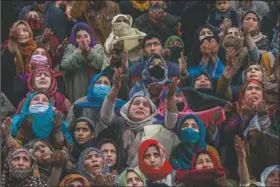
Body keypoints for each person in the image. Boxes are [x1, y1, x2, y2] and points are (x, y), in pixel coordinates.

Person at [97, 69, 178, 167]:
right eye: (136, 103)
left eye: (145, 105)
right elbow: (105, 116)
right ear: (127, 109)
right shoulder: (119, 123)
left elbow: (171, 123)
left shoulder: (156, 127)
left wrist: (170, 98)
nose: (140, 106)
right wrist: (115, 88)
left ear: (151, 113)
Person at [60, 22, 107, 102]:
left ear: (90, 36)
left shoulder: (97, 47)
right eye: (79, 37)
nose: (83, 40)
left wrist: (88, 50)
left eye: (86, 36)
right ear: (74, 39)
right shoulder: (70, 48)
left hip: (95, 88)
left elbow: (101, 64)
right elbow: (64, 65)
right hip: (76, 90)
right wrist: (79, 51)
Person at [8, 92, 73, 147]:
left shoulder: (57, 120)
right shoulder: (18, 120)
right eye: (36, 99)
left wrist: (57, 132)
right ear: (28, 104)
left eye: (44, 100)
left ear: (50, 106)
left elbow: (69, 145)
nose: (40, 102)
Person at [1, 21, 36, 107]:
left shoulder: (36, 50)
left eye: (25, 30)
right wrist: (11, 42)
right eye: (18, 31)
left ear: (30, 33)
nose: (21, 33)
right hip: (12, 100)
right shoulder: (8, 51)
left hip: (33, 97)